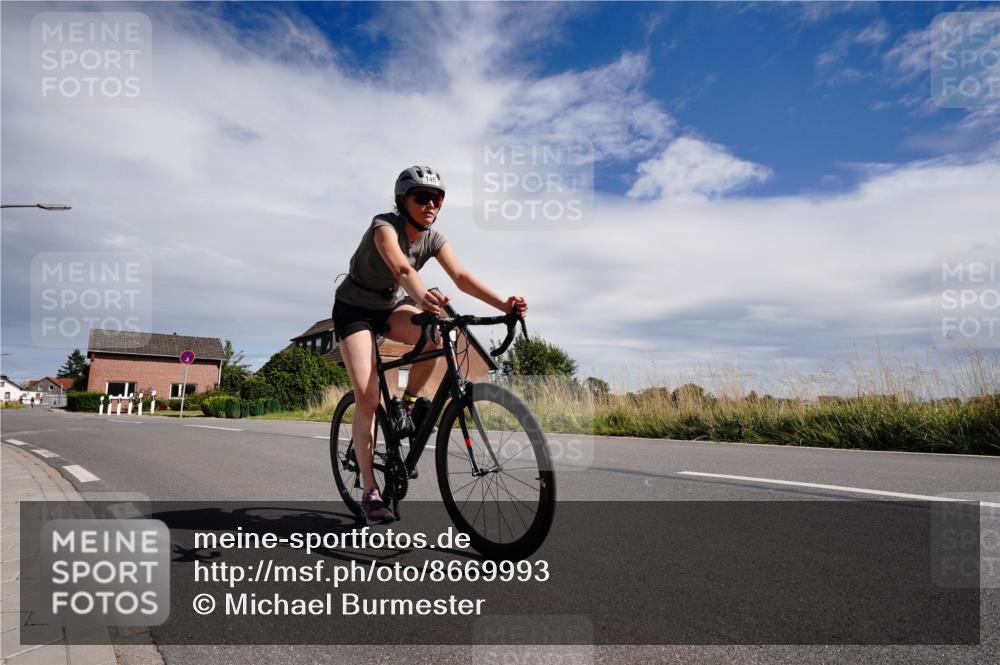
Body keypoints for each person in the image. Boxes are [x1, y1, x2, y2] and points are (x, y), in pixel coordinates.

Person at [332, 166, 528, 525]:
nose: (432, 204)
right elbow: (403, 272)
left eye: (438, 199)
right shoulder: (383, 227)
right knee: (368, 395)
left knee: (436, 337)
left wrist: (504, 306)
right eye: (423, 197)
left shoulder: (434, 239)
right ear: (402, 200)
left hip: (391, 308)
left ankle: (407, 406)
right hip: (355, 311)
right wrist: (424, 297)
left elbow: (462, 277)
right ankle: (371, 492)